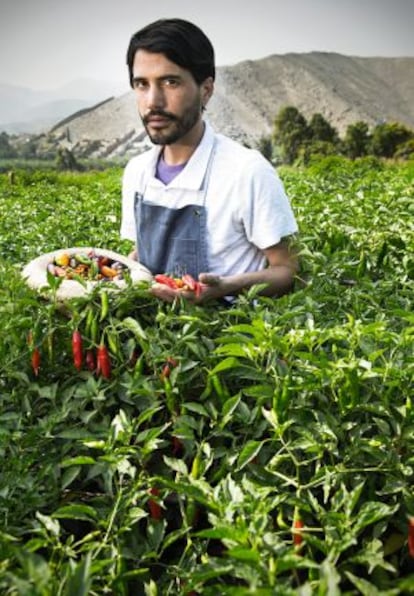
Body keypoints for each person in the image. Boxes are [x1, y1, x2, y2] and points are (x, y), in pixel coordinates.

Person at [120, 18, 299, 303]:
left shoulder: (246, 171)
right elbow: (142, 253)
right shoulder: (137, 172)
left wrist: (227, 286)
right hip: (151, 339)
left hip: (221, 339)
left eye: (170, 82)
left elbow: (288, 270)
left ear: (206, 89)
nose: (153, 101)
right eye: (142, 84)